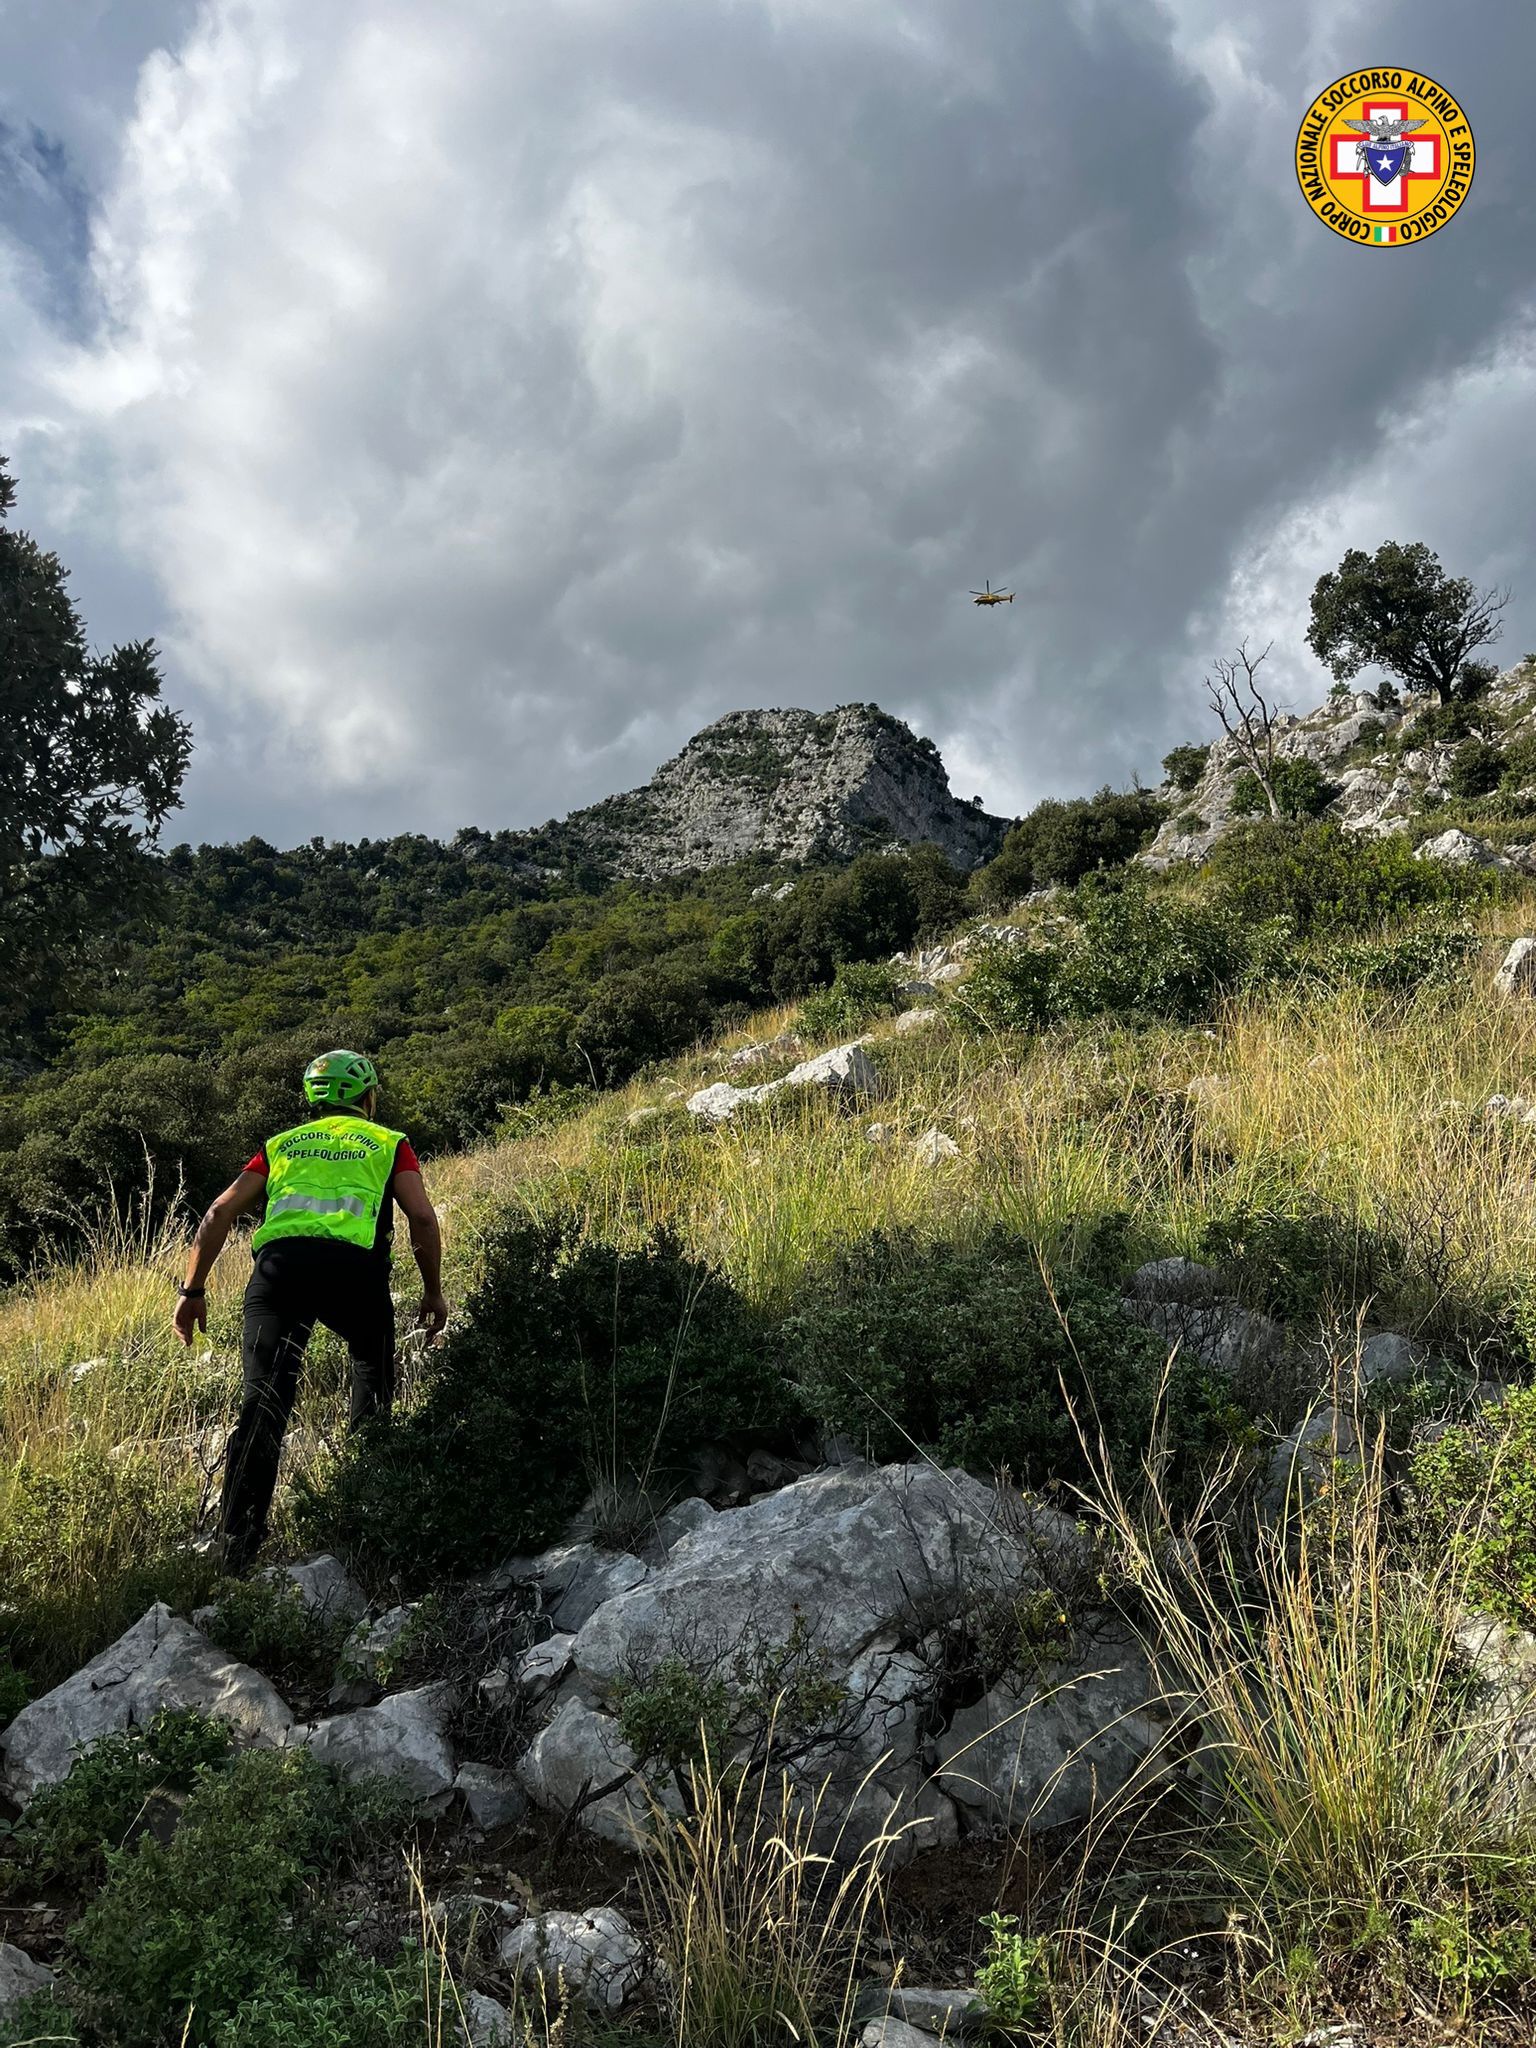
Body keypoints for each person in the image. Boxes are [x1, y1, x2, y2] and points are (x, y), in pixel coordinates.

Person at [173, 1048, 449, 1576]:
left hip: (279, 1271)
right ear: (368, 1097)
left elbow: (219, 1212)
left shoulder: (281, 1145)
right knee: (372, 1374)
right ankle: (364, 1519)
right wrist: (432, 1292)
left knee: (262, 1406)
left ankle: (237, 1552)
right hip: (354, 1273)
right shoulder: (389, 1143)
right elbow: (421, 1217)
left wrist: (192, 1289)